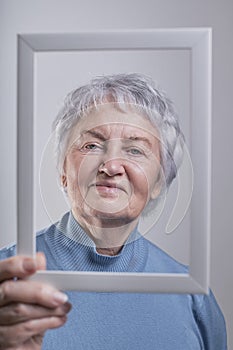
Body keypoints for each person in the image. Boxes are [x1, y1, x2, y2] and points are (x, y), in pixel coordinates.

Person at [0, 73, 227, 349]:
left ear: (158, 182)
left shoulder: (193, 297)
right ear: (63, 172)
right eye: (92, 145)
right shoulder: (7, 281)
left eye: (134, 150)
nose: (111, 166)